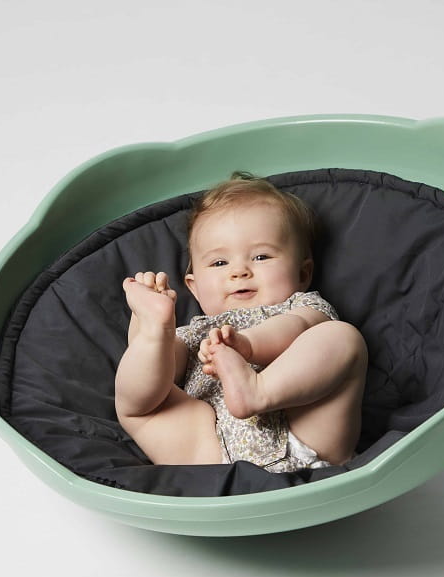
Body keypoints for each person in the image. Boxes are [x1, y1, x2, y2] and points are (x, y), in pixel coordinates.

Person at [114, 173, 367, 472]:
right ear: (194, 287)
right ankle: (151, 333)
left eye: (261, 256)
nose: (239, 271)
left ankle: (258, 390)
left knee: (342, 337)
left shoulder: (302, 306)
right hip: (210, 452)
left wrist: (248, 345)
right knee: (139, 404)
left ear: (303, 274)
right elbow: (159, 377)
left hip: (302, 440)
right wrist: (154, 332)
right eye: (219, 263)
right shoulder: (195, 333)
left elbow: (296, 327)